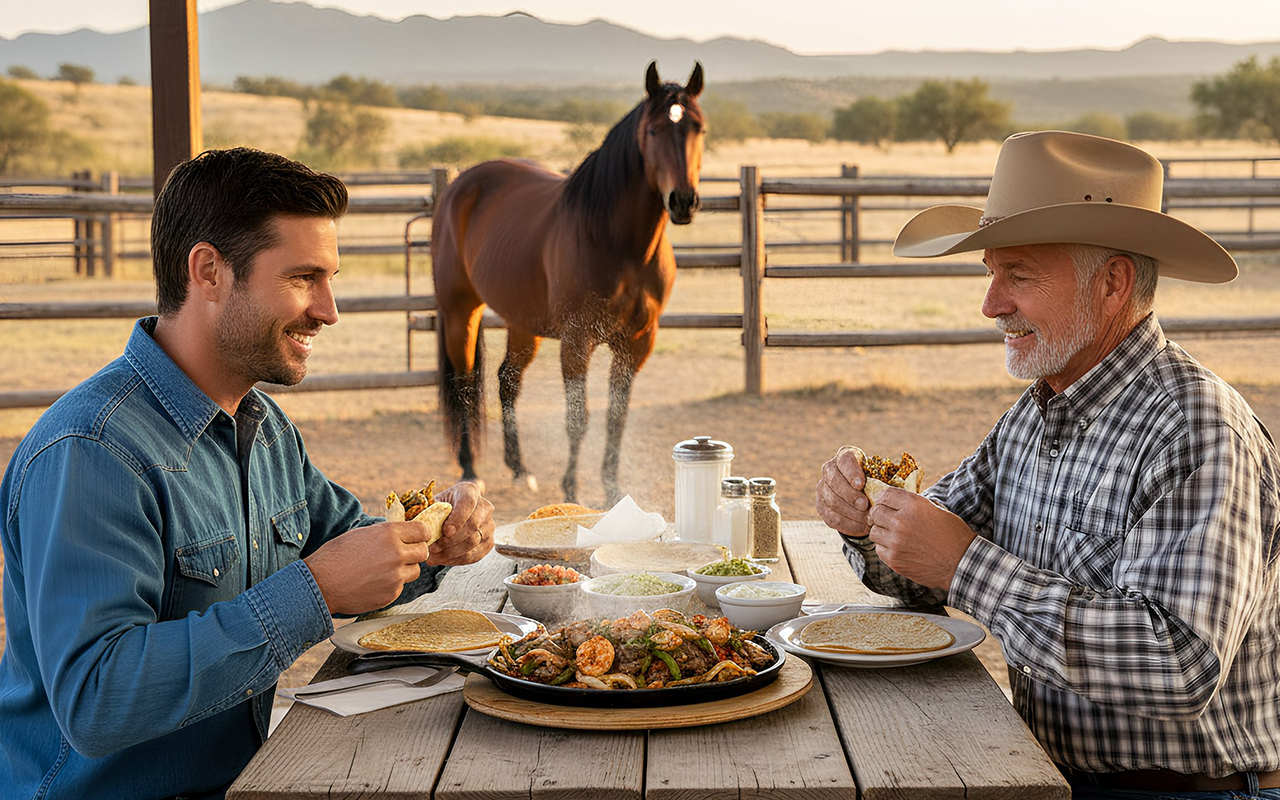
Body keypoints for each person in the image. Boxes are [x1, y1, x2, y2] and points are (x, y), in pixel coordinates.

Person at [0, 148, 496, 799]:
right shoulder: (92, 452)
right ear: (209, 271)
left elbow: (356, 550)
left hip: (246, 781)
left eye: (330, 278)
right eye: (303, 278)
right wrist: (314, 591)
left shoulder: (263, 427)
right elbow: (97, 702)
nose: (329, 309)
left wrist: (435, 544)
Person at [815, 131, 1280, 798]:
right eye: (991, 273)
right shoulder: (1034, 414)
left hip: (1196, 793)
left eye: (1019, 276)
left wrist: (963, 564)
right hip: (1053, 778)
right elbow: (923, 574)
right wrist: (871, 519)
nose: (991, 304)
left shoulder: (1195, 425)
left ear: (1114, 283)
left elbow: (1180, 665)